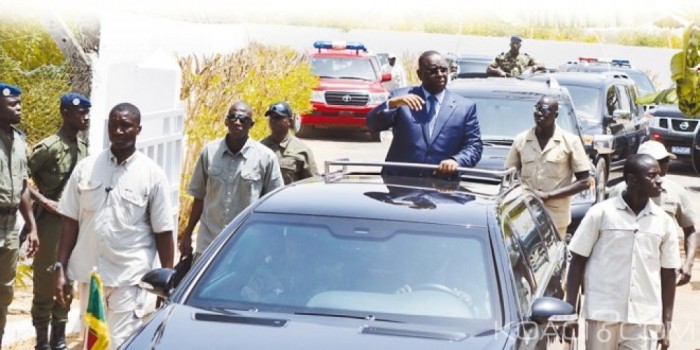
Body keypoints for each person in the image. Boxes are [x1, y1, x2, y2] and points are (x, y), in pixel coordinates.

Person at [54, 103, 174, 349]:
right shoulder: (87, 168)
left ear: (137, 130)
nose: (117, 131)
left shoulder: (152, 175)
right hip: (90, 276)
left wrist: (167, 281)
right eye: (113, 124)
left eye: (125, 126)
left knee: (120, 343)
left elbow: (163, 232)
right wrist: (60, 266)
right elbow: (69, 221)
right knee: (92, 342)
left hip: (129, 277)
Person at [565, 154, 680, 350]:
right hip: (602, 314)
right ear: (632, 180)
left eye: (659, 175)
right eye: (652, 176)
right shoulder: (601, 213)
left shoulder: (664, 221)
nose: (659, 180)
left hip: (643, 318)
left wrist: (666, 325)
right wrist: (569, 314)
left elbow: (668, 275)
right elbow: (577, 260)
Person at [179, 102, 283, 259]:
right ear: (226, 121)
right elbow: (199, 197)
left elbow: (274, 205)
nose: (237, 122)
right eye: (233, 117)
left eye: (243, 119)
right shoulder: (209, 152)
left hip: (245, 243)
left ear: (251, 125)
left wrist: (270, 241)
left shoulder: (266, 158)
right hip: (209, 240)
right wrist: (187, 234)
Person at [28, 92, 90, 350]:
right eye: (80, 112)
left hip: (73, 222)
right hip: (50, 224)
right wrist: (43, 201)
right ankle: (42, 341)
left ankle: (59, 338)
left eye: (87, 112)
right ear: (65, 113)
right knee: (45, 279)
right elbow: (20, 177)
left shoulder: (84, 148)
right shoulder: (50, 147)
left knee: (67, 275)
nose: (86, 117)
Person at [367, 50, 483, 178]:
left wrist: (457, 161)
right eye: (433, 71)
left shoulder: (464, 107)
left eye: (444, 70)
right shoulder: (400, 98)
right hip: (399, 185)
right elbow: (372, 125)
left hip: (442, 186)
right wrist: (391, 104)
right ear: (419, 74)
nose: (440, 74)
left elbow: (474, 146)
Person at [608, 140, 698, 285]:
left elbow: (690, 230)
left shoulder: (676, 192)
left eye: (666, 160)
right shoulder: (619, 192)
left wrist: (688, 263)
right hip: (624, 268)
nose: (664, 166)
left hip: (663, 268)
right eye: (660, 161)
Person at [505, 96, 590, 237]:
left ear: (555, 114)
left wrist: (549, 195)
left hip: (556, 215)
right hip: (526, 213)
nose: (539, 113)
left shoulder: (570, 141)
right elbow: (508, 175)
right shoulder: (521, 140)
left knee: (554, 256)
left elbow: (585, 182)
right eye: (537, 109)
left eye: (545, 110)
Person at [0, 82, 39, 348]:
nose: (19, 108)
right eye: (13, 104)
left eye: (19, 103)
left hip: (11, 225)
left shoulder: (19, 140)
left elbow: (23, 186)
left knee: (4, 291)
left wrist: (32, 227)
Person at [260, 102, 319, 184]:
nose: (273, 121)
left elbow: (313, 182)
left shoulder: (301, 150)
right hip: (266, 196)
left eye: (278, 117)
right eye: (271, 117)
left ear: (290, 121)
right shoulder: (261, 147)